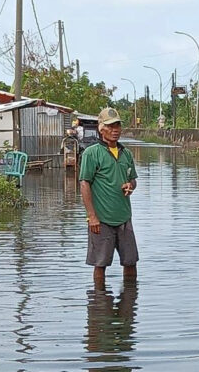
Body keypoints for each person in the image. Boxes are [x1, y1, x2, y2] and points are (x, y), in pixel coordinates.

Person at [80, 107, 139, 283]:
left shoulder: (126, 153)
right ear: (101, 128)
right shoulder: (92, 153)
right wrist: (92, 217)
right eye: (110, 126)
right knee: (100, 264)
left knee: (131, 262)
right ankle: (100, 304)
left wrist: (131, 185)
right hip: (101, 219)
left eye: (117, 126)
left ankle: (129, 301)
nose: (115, 130)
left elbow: (133, 180)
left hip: (123, 217)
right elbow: (84, 184)